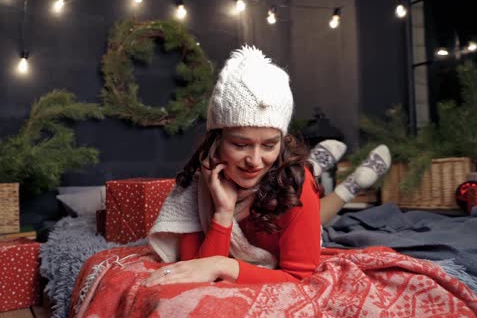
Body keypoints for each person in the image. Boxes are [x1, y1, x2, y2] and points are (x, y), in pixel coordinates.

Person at [144, 46, 390, 286]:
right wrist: (223, 212)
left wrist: (224, 265)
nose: (254, 160)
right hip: (260, 181)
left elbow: (298, 275)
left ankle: (351, 184)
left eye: (269, 145)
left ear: (282, 143)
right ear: (216, 141)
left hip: (289, 180)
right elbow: (195, 269)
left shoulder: (296, 183)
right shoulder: (199, 185)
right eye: (240, 145)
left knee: (306, 192)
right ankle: (317, 162)